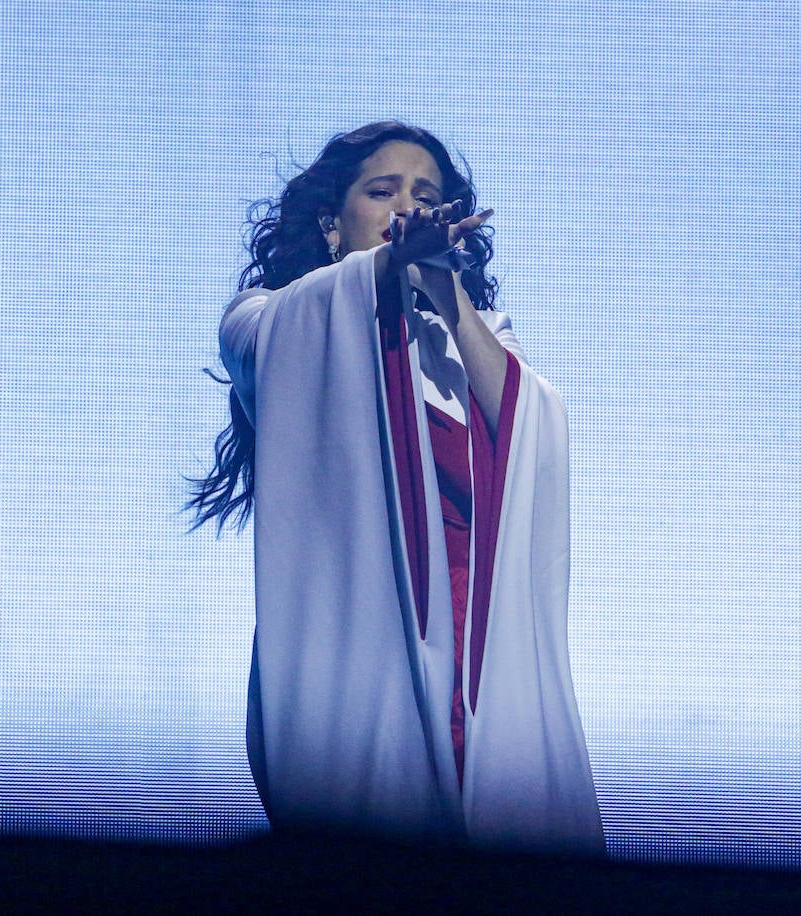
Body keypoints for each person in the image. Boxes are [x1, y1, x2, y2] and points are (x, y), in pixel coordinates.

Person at [191, 121, 603, 853]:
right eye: (382, 192)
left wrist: (443, 285)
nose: (407, 208)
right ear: (331, 221)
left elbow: (527, 418)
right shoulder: (269, 319)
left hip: (477, 646)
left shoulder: (471, 338)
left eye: (427, 196)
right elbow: (282, 341)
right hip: (367, 640)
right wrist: (383, 270)